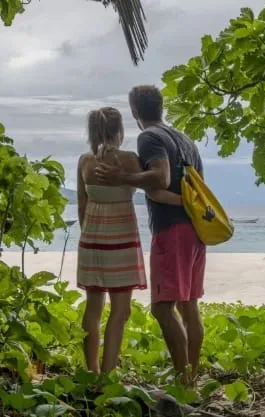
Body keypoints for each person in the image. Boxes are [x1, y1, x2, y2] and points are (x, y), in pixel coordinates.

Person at [94, 86, 206, 387]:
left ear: (134, 113)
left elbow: (161, 177)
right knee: (189, 305)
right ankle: (191, 378)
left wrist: (122, 177)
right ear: (161, 107)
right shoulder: (185, 139)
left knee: (162, 308)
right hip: (196, 229)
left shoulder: (149, 137)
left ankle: (184, 383)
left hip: (172, 231)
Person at [77, 107, 181, 375]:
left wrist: (90, 234)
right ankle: (109, 375)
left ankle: (91, 371)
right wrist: (187, 203)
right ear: (119, 131)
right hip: (121, 238)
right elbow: (156, 192)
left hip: (91, 237)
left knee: (93, 307)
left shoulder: (84, 161)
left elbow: (81, 206)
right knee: (120, 311)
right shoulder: (129, 160)